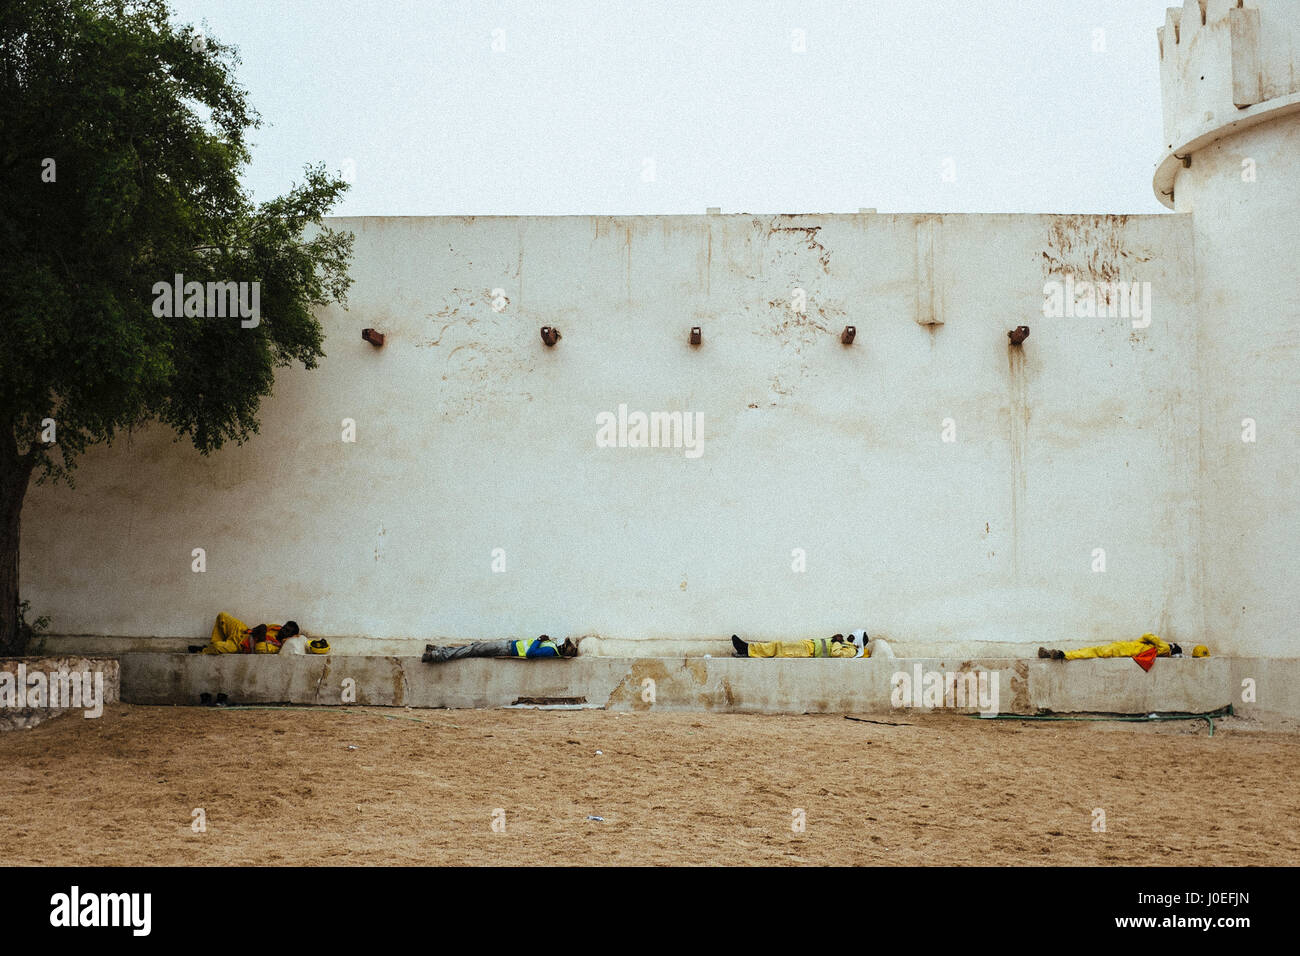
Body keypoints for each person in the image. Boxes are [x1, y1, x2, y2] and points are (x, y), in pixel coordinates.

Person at [422, 635, 578, 664]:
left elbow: (530, 654)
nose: (561, 644)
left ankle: (436, 655)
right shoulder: (552, 647)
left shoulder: (550, 651)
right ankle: (440, 650)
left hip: (507, 649)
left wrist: (538, 640)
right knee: (474, 647)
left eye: (564, 645)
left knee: (473, 649)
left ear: (563, 650)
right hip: (508, 645)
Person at [198, 612, 301, 655]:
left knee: (217, 646)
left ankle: (203, 650)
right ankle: (210, 645)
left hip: (240, 645)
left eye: (287, 631)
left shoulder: (277, 647)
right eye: (284, 627)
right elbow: (260, 628)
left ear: (290, 636)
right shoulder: (276, 627)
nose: (283, 630)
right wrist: (261, 629)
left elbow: (259, 649)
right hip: (243, 631)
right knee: (222, 616)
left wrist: (261, 630)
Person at [1037, 633, 1181, 661]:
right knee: (1088, 652)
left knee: (1089, 652)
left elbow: (1148, 635)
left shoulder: (1163, 648)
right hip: (1121, 650)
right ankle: (1060, 654)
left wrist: (1166, 644)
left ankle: (1063, 654)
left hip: (1119, 649)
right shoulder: (1156, 651)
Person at [731, 632, 867, 659]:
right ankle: (748, 650)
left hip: (809, 651)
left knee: (780, 646)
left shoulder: (851, 651)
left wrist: (836, 641)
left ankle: (747, 649)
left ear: (857, 641)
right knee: (779, 645)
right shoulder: (847, 644)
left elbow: (836, 654)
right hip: (809, 645)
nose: (850, 635)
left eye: (853, 636)